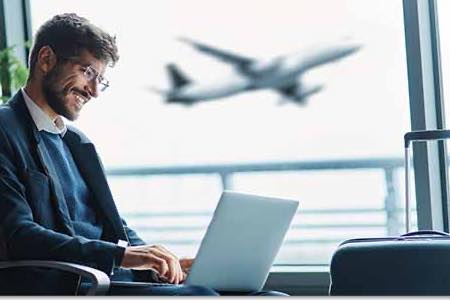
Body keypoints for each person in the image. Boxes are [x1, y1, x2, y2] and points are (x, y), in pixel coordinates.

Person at [0, 13, 287, 296]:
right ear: (46, 60)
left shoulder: (77, 143)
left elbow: (114, 227)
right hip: (77, 284)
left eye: (101, 79)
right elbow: (20, 235)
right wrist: (122, 256)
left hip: (116, 277)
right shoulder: (6, 130)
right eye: (87, 72)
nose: (95, 91)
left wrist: (158, 263)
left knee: (272, 298)